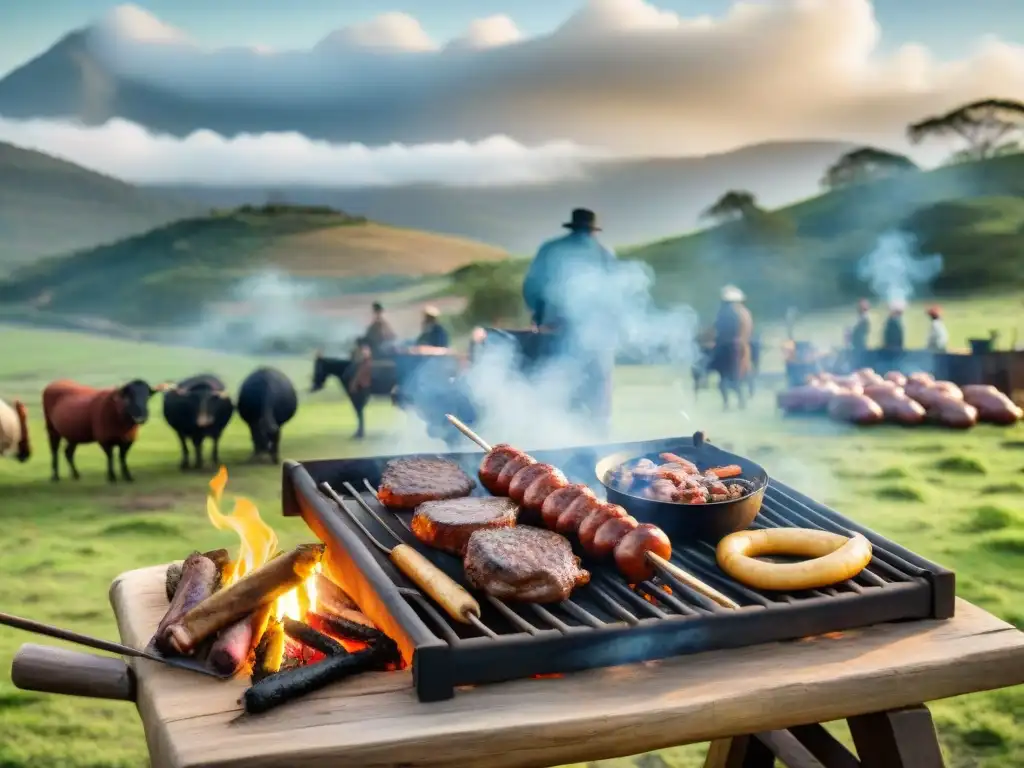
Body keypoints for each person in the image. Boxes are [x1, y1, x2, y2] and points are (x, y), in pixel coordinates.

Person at [521, 208, 618, 428]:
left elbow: (532, 288)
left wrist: (538, 314)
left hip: (557, 329)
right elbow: (617, 296)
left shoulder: (550, 249)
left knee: (559, 389)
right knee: (598, 396)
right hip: (597, 335)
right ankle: (598, 440)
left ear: (572, 226)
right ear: (592, 229)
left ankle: (562, 438)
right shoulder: (604, 253)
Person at [709, 285, 754, 410]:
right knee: (727, 379)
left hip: (735, 350)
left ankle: (737, 403)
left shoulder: (738, 314)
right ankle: (730, 403)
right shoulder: (738, 313)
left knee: (732, 379)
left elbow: (743, 334)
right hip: (730, 349)